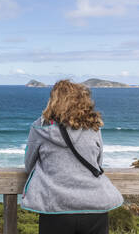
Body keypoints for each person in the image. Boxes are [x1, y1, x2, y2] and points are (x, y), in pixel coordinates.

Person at [21, 79, 123, 234]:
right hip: (94, 205)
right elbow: (97, 162)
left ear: (53, 101)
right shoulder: (93, 127)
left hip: (56, 207)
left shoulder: (41, 129)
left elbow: (29, 165)